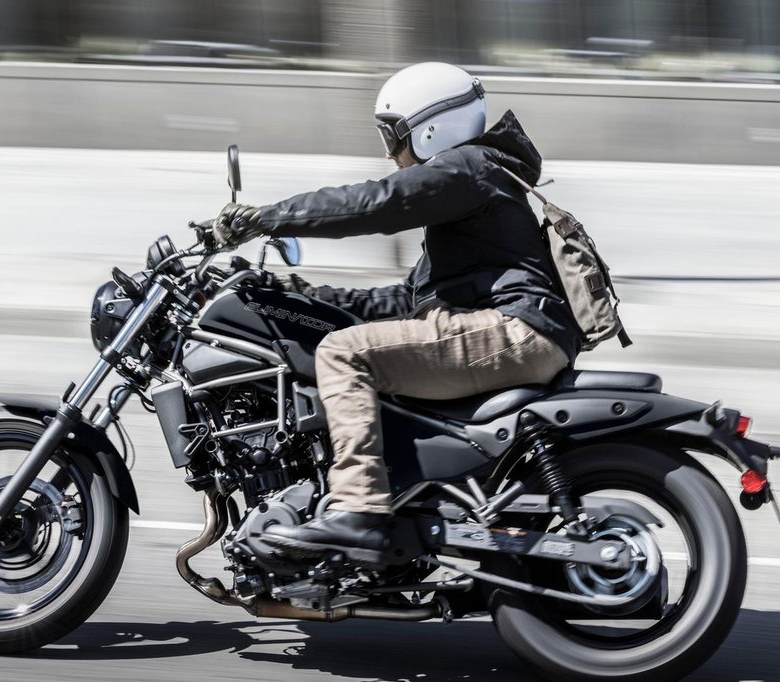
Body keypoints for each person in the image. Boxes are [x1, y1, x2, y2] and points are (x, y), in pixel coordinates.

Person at [210, 62, 582, 565]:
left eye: (393, 135)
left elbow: (376, 203)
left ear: (430, 130)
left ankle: (358, 511)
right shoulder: (472, 183)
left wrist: (267, 219)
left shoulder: (470, 168)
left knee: (343, 354)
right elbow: (404, 302)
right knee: (354, 342)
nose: (389, 152)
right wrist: (299, 295)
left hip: (515, 329)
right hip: (512, 329)